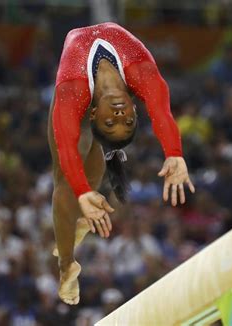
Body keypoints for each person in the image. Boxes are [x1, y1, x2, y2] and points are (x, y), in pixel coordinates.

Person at [48, 22, 195, 305]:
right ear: (134, 107)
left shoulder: (75, 90)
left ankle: (78, 218)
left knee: (80, 179)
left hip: (79, 93)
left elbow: (67, 146)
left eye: (112, 121)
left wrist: (85, 192)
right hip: (79, 100)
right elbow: (162, 113)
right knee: (65, 183)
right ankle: (67, 264)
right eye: (126, 121)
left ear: (94, 115)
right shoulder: (141, 74)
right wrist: (174, 153)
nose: (118, 114)